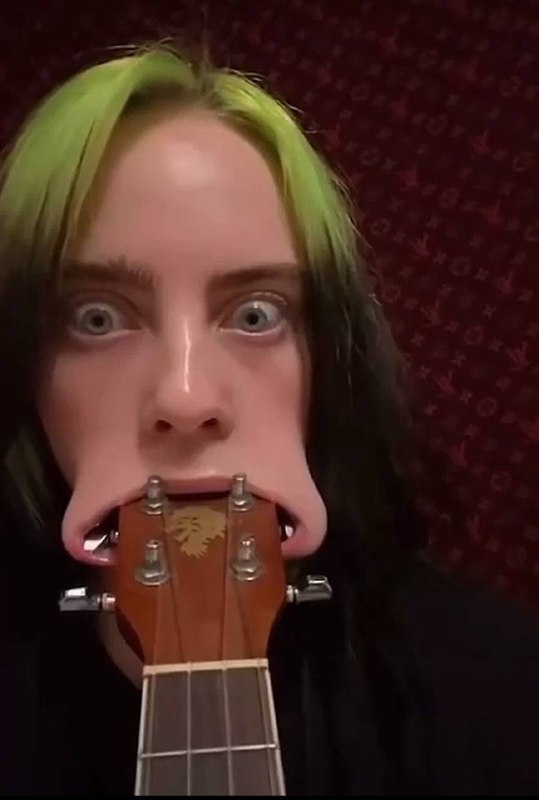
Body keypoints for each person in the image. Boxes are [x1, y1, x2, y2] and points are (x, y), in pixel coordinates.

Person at [0, 42, 538, 796]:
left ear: (329, 355)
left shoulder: (505, 695)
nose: (186, 399)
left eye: (255, 314)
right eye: (96, 318)